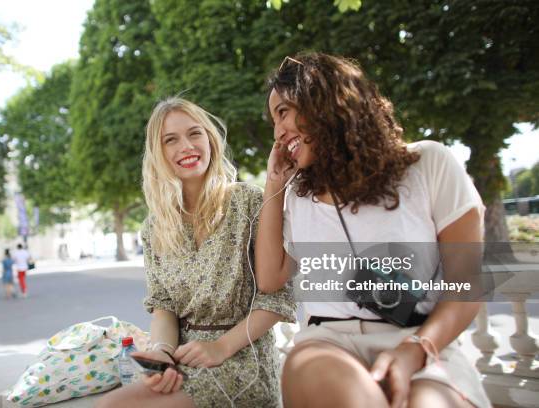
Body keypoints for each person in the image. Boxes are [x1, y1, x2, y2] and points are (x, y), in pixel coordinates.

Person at [255, 53, 491, 408]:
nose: (277, 132)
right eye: (274, 119)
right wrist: (274, 185)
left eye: (283, 112)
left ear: (324, 101)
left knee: (430, 403)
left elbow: (465, 285)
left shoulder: (429, 164)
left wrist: (416, 350)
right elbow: (270, 278)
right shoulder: (297, 194)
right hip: (327, 343)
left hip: (421, 339)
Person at [96, 97, 295, 408]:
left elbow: (278, 299)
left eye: (194, 133)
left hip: (244, 359)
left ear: (210, 139)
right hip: (182, 359)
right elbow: (163, 306)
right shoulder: (155, 226)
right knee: (106, 406)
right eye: (170, 140)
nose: (186, 146)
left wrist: (220, 347)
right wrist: (162, 353)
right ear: (158, 153)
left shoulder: (249, 203)